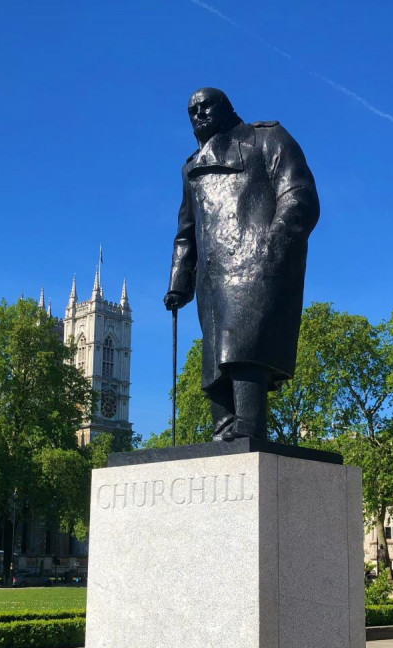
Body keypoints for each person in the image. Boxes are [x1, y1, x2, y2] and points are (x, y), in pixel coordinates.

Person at [164, 88, 320, 441]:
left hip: (257, 262)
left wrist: (273, 243)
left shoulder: (268, 138)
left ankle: (250, 425)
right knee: (215, 358)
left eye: (207, 106)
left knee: (243, 347)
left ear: (228, 107)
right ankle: (224, 427)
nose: (200, 115)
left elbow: (299, 195)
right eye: (192, 111)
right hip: (212, 275)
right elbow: (186, 231)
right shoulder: (191, 168)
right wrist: (178, 281)